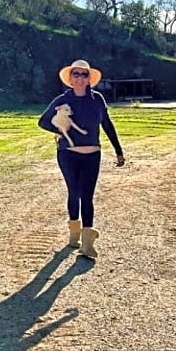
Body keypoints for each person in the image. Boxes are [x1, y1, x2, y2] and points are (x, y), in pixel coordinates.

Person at [38, 58, 125, 260]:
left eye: (83, 74)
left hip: (93, 154)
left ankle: (87, 243)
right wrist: (59, 129)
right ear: (70, 78)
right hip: (68, 154)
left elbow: (107, 125)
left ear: (89, 79)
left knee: (87, 196)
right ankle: (74, 232)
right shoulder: (62, 101)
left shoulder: (97, 100)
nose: (79, 78)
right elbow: (42, 121)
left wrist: (118, 151)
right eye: (75, 74)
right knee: (74, 192)